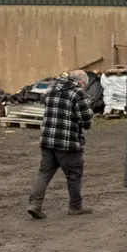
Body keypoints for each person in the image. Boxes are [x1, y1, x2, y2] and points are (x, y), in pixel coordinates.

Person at [27, 70, 94, 218]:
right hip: (67, 142)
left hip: (47, 140)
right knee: (74, 175)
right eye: (85, 85)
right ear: (82, 82)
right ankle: (75, 207)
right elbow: (86, 120)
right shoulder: (78, 93)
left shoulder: (51, 90)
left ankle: (34, 204)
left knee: (44, 173)